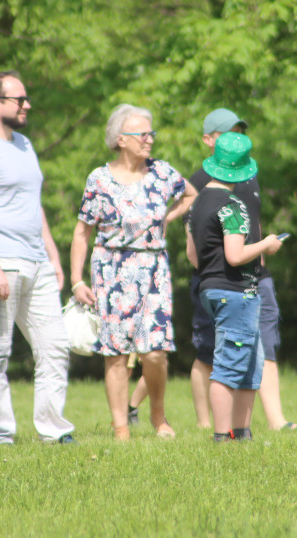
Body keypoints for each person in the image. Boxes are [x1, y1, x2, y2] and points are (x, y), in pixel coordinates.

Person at [0, 71, 75, 445]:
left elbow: (32, 207)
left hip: (36, 262)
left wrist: (54, 256)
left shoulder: (23, 145)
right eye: (19, 99)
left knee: (55, 347)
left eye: (26, 99)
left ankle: (54, 431)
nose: (27, 105)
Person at [70, 103, 196, 441]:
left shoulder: (162, 173)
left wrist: (166, 219)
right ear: (120, 139)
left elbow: (190, 194)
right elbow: (82, 232)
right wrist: (76, 279)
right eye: (142, 134)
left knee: (154, 352)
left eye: (151, 133)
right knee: (116, 353)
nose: (150, 139)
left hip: (154, 268)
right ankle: (121, 427)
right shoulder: (99, 179)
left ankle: (157, 414)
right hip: (110, 270)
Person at [185, 108, 297, 430]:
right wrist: (265, 244)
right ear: (241, 169)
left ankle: (242, 432)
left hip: (211, 287)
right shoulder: (231, 205)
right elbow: (236, 256)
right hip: (236, 291)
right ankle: (224, 435)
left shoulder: (198, 203)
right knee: (228, 365)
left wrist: (211, 271)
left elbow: (191, 253)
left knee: (251, 363)